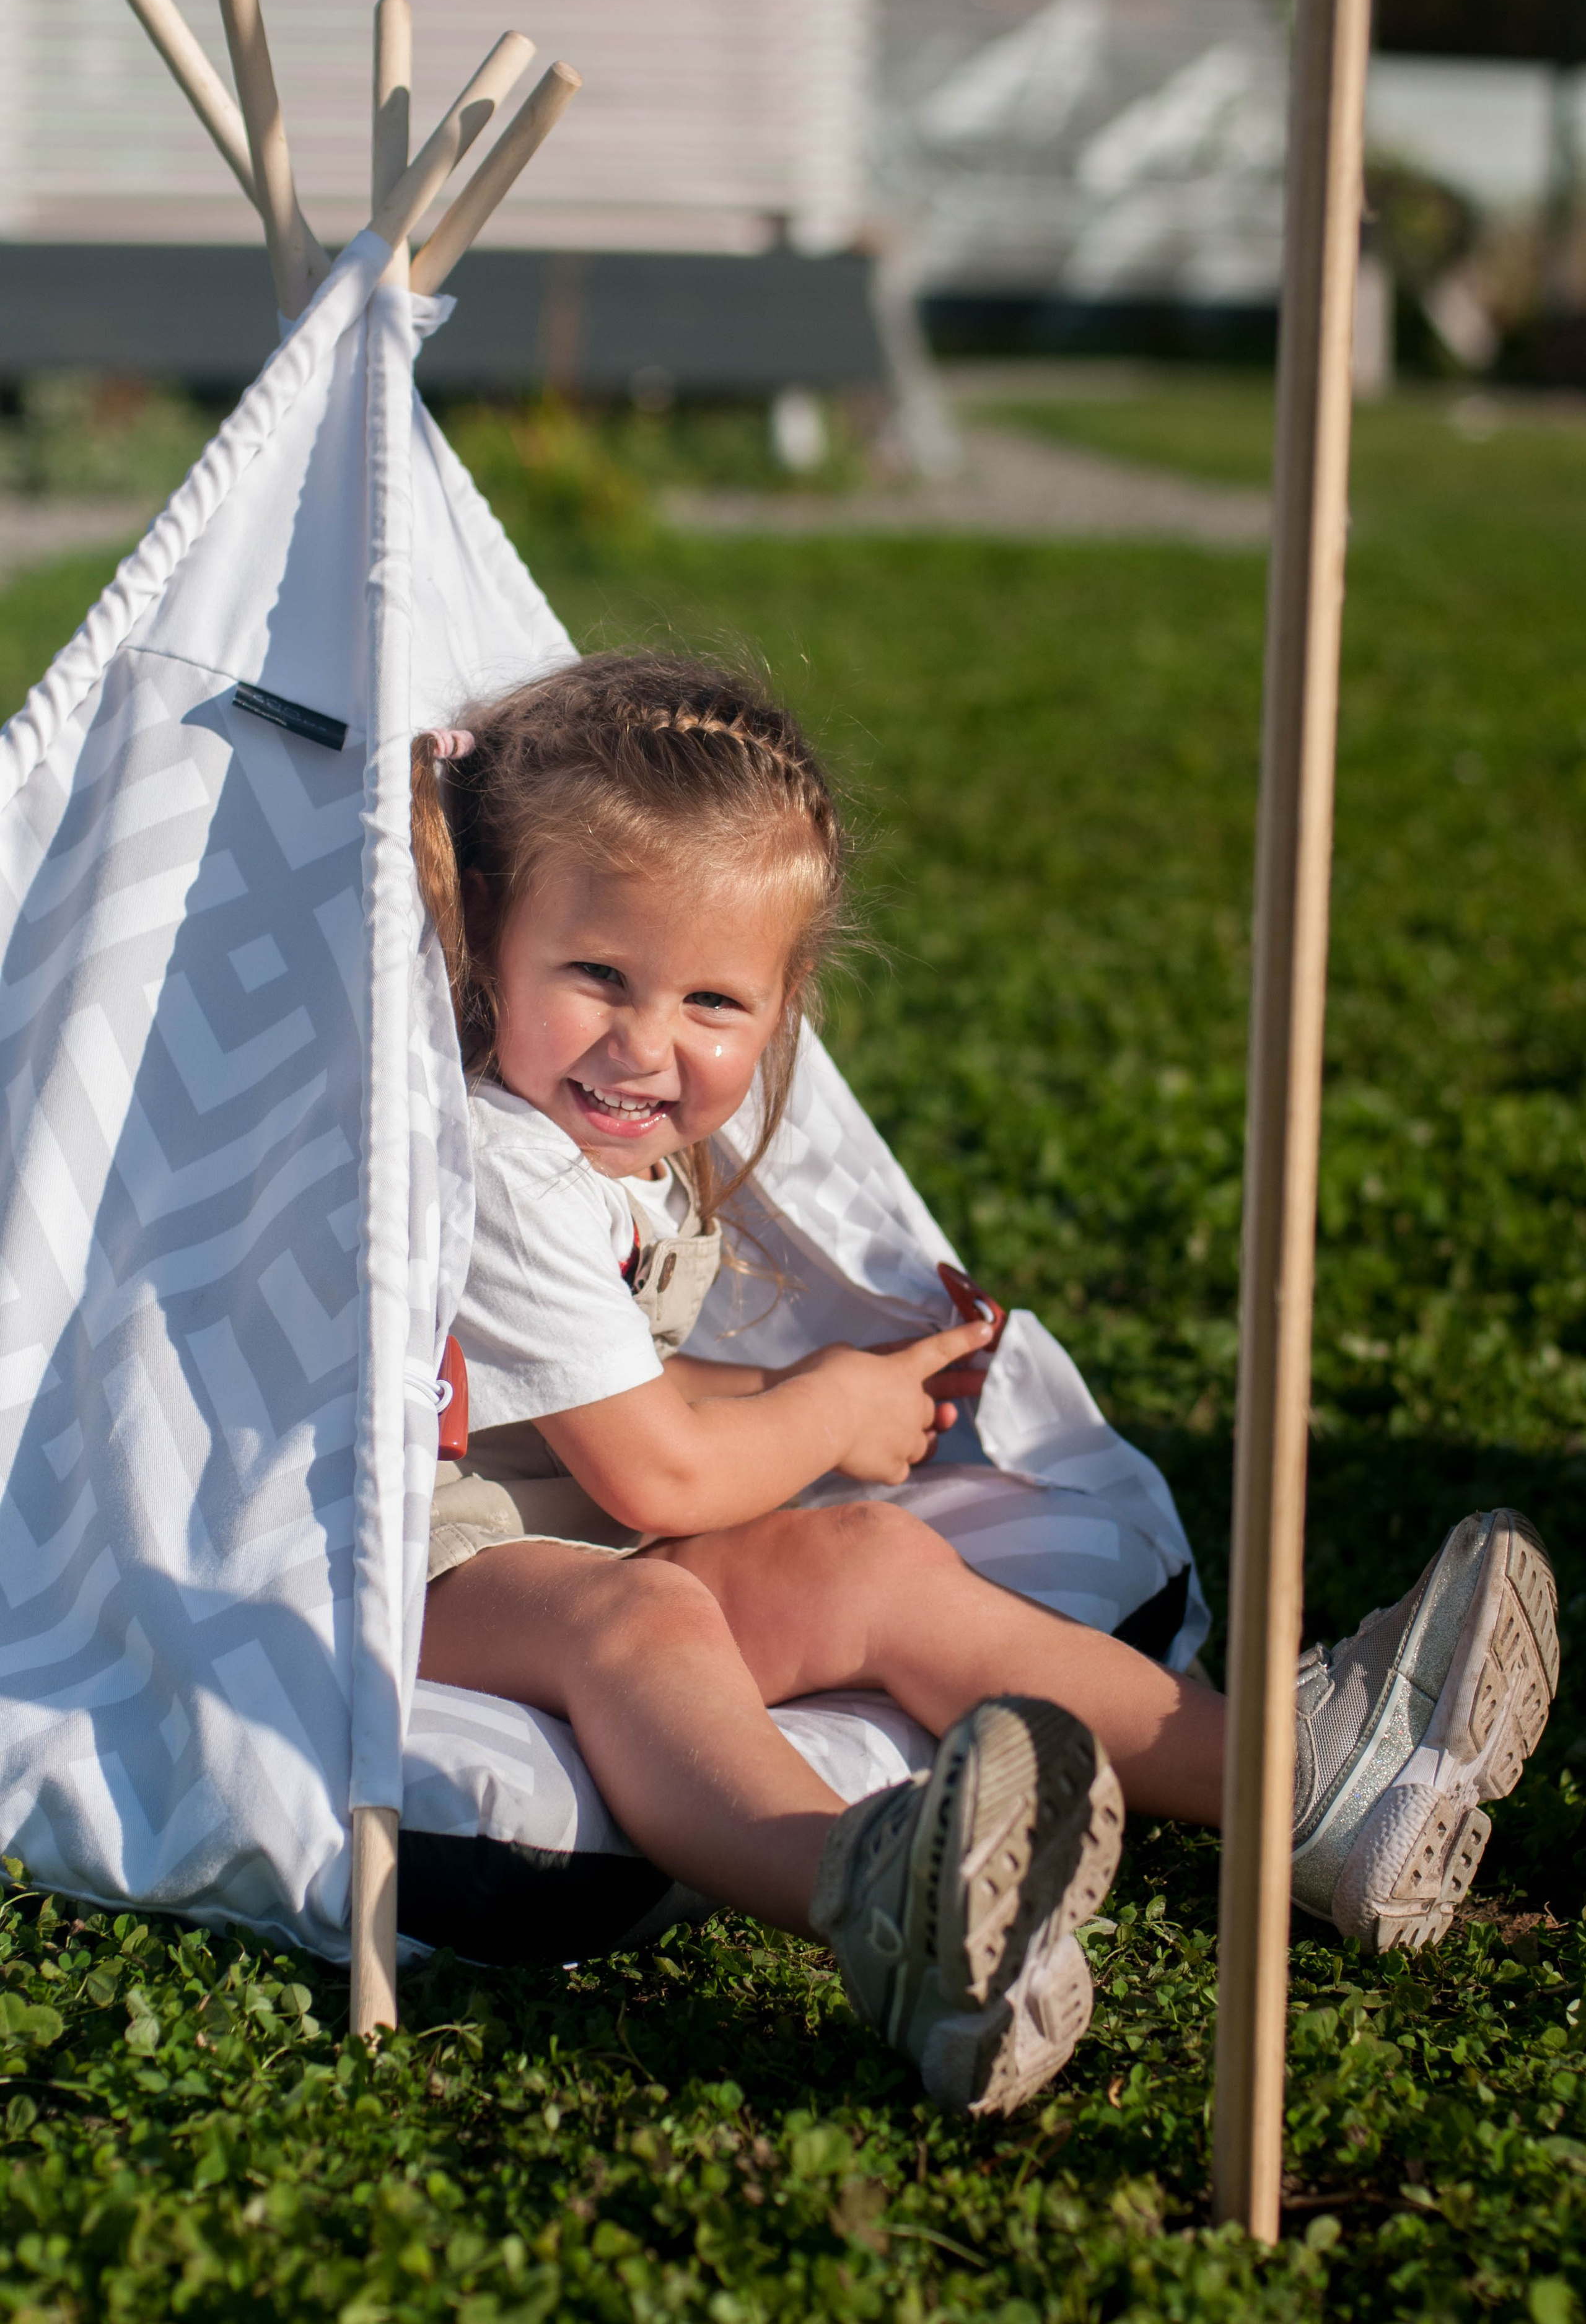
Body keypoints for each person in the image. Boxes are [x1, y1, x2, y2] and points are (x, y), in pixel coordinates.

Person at [410, 652, 1559, 2114]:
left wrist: (823, 1386)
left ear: (781, 1007)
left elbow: (595, 1384)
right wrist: (817, 1415)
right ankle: (861, 1894)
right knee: (638, 1608)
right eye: (596, 977)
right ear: (488, 936)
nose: (647, 1042)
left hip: (561, 1512)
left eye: (712, 998)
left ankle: (1306, 1780)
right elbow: (654, 1478)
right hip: (438, 1564)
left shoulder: (619, 1155)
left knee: (871, 1555)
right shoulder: (506, 1159)